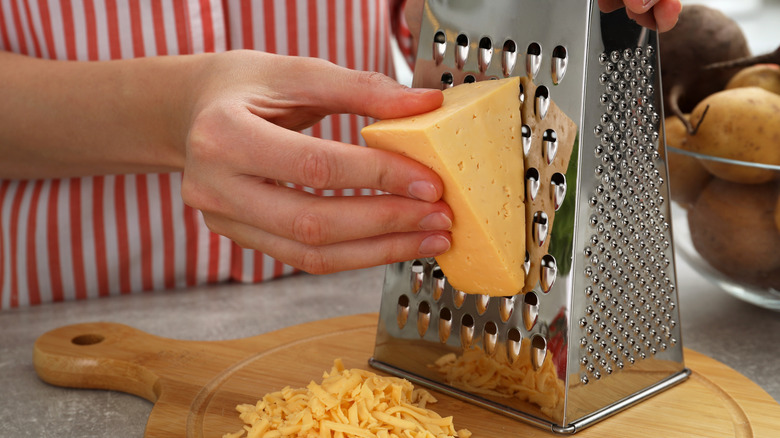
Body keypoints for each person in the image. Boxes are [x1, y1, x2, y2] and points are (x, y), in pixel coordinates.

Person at [0, 0, 681, 309]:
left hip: (346, 299)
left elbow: (421, 13)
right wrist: (171, 111)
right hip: (70, 307)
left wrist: (478, 11)